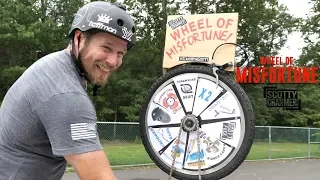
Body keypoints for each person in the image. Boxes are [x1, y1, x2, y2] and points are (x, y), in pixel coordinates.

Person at [0, 1, 136, 180]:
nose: (112, 61)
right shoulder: (65, 94)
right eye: (106, 48)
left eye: (120, 54)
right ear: (79, 38)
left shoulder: (56, 67)